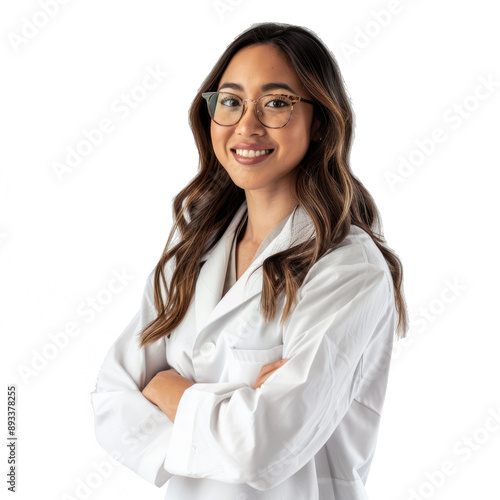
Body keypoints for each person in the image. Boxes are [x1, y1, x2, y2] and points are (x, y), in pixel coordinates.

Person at [90, 21, 408, 500]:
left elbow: (262, 446)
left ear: (319, 120)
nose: (247, 125)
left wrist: (167, 388)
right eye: (232, 100)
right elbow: (111, 400)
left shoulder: (348, 270)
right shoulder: (192, 255)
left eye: (277, 103)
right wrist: (242, 405)